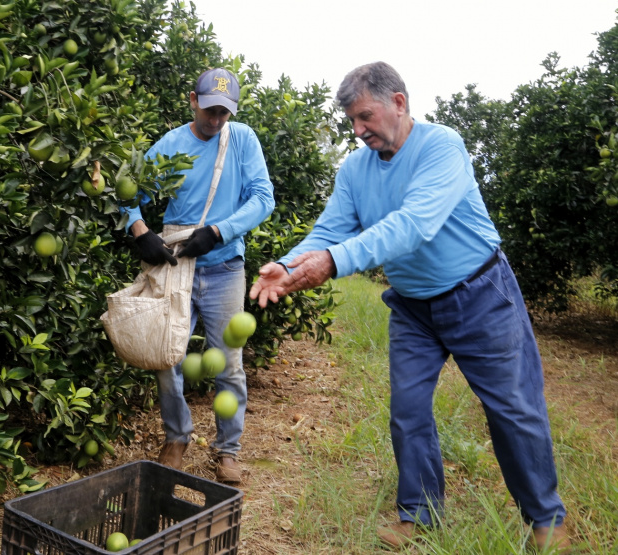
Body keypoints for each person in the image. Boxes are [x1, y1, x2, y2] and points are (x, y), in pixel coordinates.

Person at [249, 62, 569, 550]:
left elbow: (414, 224)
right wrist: (289, 265)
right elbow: (331, 230)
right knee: (408, 411)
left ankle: (546, 520)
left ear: (398, 102)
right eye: (352, 122)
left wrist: (333, 263)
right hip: (414, 309)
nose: (358, 131)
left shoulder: (441, 147)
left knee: (512, 409)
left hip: (481, 295)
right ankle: (420, 515)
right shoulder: (355, 170)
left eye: (365, 116)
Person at [122, 68, 275, 484]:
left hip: (225, 268)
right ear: (193, 100)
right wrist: (140, 231)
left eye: (224, 112)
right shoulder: (171, 145)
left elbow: (263, 198)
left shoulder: (242, 140)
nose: (216, 119)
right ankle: (177, 436)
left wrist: (219, 231)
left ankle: (228, 450)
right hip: (176, 268)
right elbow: (129, 194)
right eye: (210, 110)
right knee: (165, 356)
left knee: (229, 363)